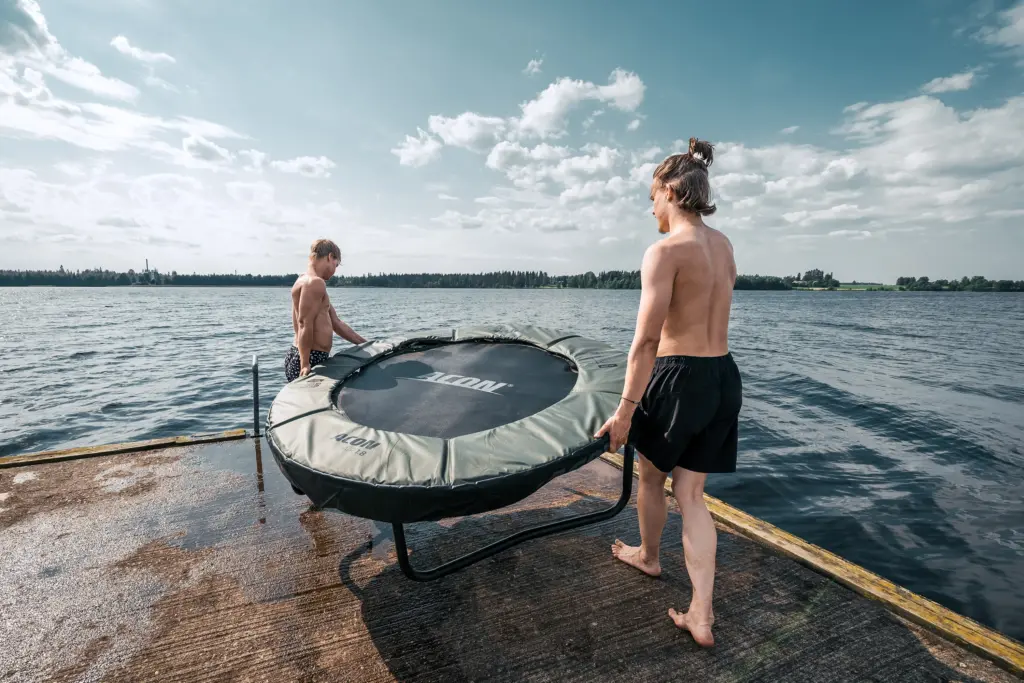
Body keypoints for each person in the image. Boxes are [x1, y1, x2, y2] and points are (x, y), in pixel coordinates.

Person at [595, 137, 742, 648]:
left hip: (679, 375)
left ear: (672, 191)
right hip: (723, 375)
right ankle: (701, 613)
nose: (650, 205)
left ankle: (650, 556)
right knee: (694, 494)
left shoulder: (664, 252)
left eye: (652, 194)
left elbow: (647, 342)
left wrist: (625, 412)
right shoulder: (723, 246)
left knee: (651, 476)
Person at [285, 238, 367, 382]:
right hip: (310, 357)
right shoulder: (315, 283)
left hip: (300, 354)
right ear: (330, 257)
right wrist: (305, 364)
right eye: (335, 265)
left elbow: (336, 323)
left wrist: (366, 344)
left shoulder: (305, 280)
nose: (335, 271)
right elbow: (304, 323)